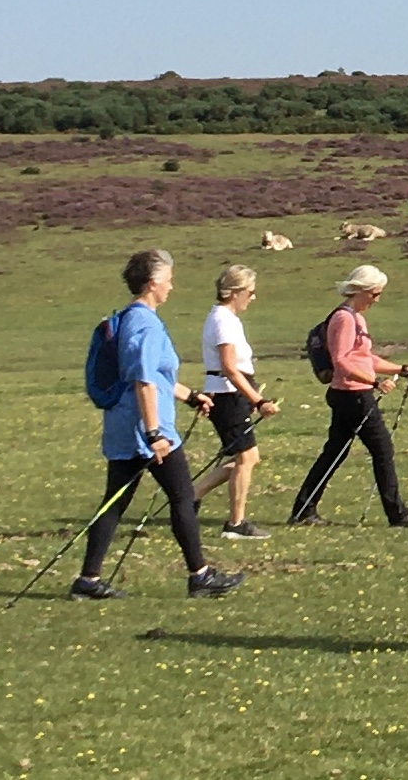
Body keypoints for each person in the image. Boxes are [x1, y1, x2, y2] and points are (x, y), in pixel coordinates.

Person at [69, 249, 244, 600]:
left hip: (125, 427)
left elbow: (155, 377)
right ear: (152, 284)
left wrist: (189, 395)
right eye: (168, 280)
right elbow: (144, 381)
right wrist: (155, 434)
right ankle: (200, 576)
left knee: (115, 502)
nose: (172, 287)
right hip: (146, 431)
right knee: (181, 497)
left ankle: (88, 580)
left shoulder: (132, 319)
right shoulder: (144, 324)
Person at [288, 265, 408, 528]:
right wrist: (375, 383)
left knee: (335, 452)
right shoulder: (344, 319)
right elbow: (342, 361)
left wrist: (400, 368)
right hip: (353, 395)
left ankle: (303, 510)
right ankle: (398, 514)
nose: (377, 300)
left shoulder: (356, 318)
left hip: (351, 394)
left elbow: (364, 358)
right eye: (375, 294)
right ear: (361, 291)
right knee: (382, 450)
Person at [192, 264, 279, 539]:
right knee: (246, 457)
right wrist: (259, 399)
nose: (253, 298)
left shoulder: (226, 318)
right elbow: (229, 367)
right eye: (250, 292)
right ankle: (235, 524)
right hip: (227, 395)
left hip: (233, 394)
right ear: (236, 292)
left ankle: (190, 497)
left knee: (247, 457)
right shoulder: (223, 321)